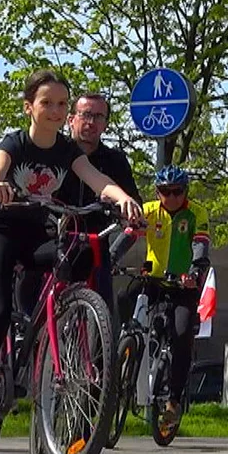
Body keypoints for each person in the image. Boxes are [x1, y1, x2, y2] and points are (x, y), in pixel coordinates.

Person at [0, 69, 143, 438]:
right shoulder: (15, 144)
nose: (56, 111)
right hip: (1, 231)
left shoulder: (68, 151)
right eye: (47, 103)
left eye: (62, 104)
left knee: (76, 258)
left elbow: (97, 180)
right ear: (30, 107)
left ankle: (58, 343)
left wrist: (121, 196)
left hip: (39, 234)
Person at [56, 92, 142, 317]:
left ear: (105, 124)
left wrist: (130, 213)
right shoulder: (55, 153)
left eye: (98, 116)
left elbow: (133, 200)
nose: (91, 122)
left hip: (96, 241)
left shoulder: (115, 160)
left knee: (104, 308)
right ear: (71, 119)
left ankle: (98, 348)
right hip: (55, 237)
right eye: (85, 115)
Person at [140, 164, 211, 428]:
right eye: (164, 192)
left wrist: (194, 271)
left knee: (181, 336)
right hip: (154, 282)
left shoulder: (196, 213)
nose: (170, 198)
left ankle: (173, 400)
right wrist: (110, 257)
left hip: (183, 286)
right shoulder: (148, 211)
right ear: (156, 192)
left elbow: (200, 245)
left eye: (177, 192)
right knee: (123, 308)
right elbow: (128, 235)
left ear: (186, 191)